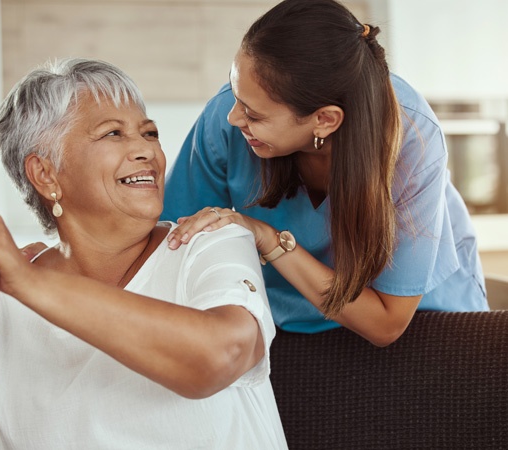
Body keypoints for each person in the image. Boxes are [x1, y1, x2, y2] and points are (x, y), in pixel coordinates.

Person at [0, 58, 287, 449]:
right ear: (45, 174)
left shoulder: (210, 242)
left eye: (149, 132)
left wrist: (27, 282)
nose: (147, 151)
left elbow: (219, 357)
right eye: (113, 133)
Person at [163, 0, 488, 347]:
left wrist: (268, 239)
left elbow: (386, 323)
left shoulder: (413, 136)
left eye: (254, 115)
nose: (232, 117)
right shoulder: (226, 120)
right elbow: (172, 250)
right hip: (279, 324)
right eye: (235, 93)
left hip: (420, 323)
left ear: (325, 119)